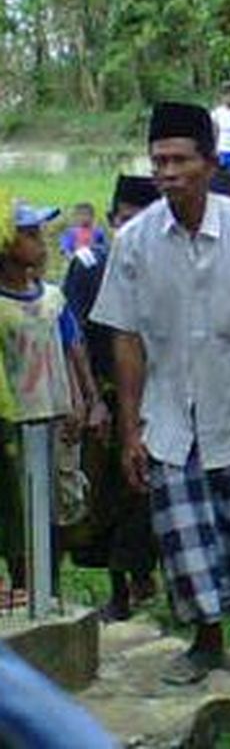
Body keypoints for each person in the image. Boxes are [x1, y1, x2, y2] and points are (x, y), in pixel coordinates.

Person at [90, 101, 230, 685]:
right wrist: (131, 429)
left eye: (180, 160)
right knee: (181, 535)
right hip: (169, 415)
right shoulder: (134, 242)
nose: (167, 172)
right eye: (159, 161)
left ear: (210, 164)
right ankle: (206, 640)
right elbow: (126, 338)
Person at [61, 175, 161, 621]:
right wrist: (92, 401)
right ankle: (122, 588)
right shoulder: (89, 266)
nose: (133, 230)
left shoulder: (166, 267)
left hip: (158, 399)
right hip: (107, 398)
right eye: (125, 220)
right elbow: (74, 335)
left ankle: (142, 577)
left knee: (146, 495)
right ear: (111, 220)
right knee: (106, 497)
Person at [0, 199, 91, 598]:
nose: (40, 241)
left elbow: (72, 347)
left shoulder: (53, 298)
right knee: (20, 507)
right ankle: (25, 586)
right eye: (29, 234)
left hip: (58, 415)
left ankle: (48, 587)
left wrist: (83, 398)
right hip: (17, 420)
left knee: (59, 505)